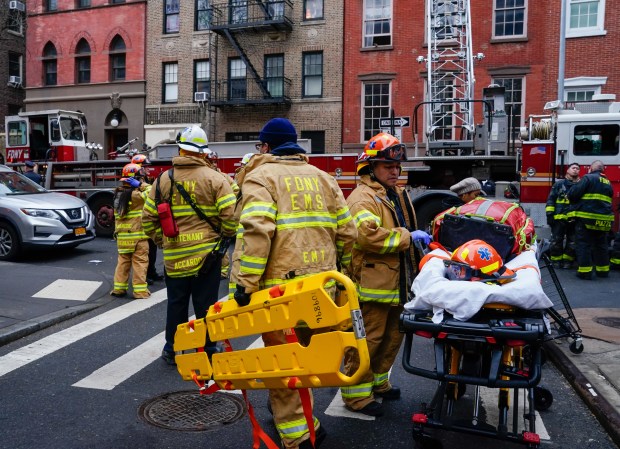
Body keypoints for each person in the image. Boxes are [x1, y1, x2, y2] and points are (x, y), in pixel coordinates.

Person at [232, 118, 357, 449]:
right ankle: (306, 418)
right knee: (310, 356)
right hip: (324, 290)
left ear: (266, 147)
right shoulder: (324, 178)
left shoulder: (261, 177)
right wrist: (339, 270)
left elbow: (257, 234)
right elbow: (348, 233)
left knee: (284, 362)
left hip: (282, 295)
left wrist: (245, 285)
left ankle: (296, 435)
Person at [340, 132, 430, 417]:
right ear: (371, 168)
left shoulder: (395, 193)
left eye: (396, 167)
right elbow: (368, 237)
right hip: (373, 287)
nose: (394, 171)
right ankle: (356, 396)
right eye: (387, 167)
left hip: (397, 283)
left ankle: (379, 383)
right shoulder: (362, 199)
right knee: (369, 340)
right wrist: (407, 236)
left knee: (393, 336)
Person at [142, 125, 237, 365]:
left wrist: (161, 241)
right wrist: (222, 238)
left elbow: (148, 218)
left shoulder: (163, 179)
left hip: (175, 258)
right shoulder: (216, 179)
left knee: (176, 303)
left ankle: (172, 349)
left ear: (180, 149)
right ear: (203, 152)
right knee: (206, 305)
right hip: (208, 257)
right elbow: (230, 219)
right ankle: (207, 349)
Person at [110, 163, 151, 299]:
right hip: (138, 237)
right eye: (141, 178)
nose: (143, 180)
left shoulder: (117, 194)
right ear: (135, 179)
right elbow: (153, 192)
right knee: (140, 262)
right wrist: (141, 185)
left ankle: (119, 289)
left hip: (122, 238)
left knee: (123, 262)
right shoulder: (137, 195)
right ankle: (140, 291)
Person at [567, 160, 614, 279]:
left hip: (586, 218)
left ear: (591, 169)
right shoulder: (608, 182)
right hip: (603, 220)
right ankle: (603, 271)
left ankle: (585, 272)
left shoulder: (588, 178)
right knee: (601, 245)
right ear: (602, 169)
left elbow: (573, 194)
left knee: (583, 244)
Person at [131, 153, 164, 285]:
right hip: (139, 223)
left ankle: (152, 272)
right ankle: (144, 275)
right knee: (143, 253)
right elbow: (149, 194)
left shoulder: (145, 180)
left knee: (152, 248)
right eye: (144, 167)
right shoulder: (132, 183)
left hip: (149, 219)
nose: (147, 169)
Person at [206, 151, 239, 279]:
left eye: (215, 161)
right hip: (209, 216)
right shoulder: (206, 176)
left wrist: (226, 198)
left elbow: (236, 190)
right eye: (211, 161)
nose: (213, 164)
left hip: (220, 215)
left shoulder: (224, 176)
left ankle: (223, 271)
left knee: (222, 244)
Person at [545, 163, 580, 269]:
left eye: (578, 169)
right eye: (573, 168)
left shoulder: (581, 185)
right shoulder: (559, 184)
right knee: (556, 240)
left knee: (573, 241)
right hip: (558, 218)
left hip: (574, 218)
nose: (576, 170)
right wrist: (550, 215)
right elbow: (551, 200)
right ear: (567, 170)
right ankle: (556, 261)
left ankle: (567, 262)